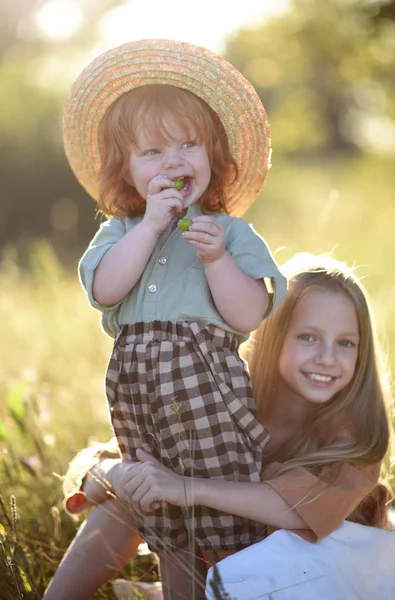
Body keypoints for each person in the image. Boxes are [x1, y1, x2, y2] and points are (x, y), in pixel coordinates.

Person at [44, 252, 395, 600]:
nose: (327, 358)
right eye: (308, 337)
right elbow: (100, 468)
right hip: (222, 559)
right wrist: (120, 473)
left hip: (306, 578)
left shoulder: (356, 437)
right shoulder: (219, 394)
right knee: (136, 488)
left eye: (345, 343)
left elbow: (296, 508)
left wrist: (187, 488)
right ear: (271, 335)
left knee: (170, 488)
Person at [61, 38, 287, 598]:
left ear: (214, 155)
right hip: (140, 405)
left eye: (188, 144)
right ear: (127, 171)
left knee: (222, 516)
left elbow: (251, 313)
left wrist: (215, 260)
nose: (173, 161)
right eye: (153, 152)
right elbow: (104, 289)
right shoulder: (120, 233)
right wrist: (148, 227)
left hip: (210, 398)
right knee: (165, 519)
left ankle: (241, 585)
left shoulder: (229, 234)